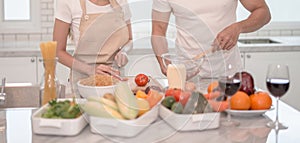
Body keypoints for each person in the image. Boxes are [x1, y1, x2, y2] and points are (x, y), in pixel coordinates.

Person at [151, 0, 271, 77]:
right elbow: (158, 30)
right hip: (188, 75)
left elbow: (263, 12)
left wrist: (238, 27)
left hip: (228, 74)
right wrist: (164, 63)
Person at [53, 0, 133, 83]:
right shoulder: (68, 2)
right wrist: (90, 70)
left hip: (116, 78)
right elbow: (57, 52)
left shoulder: (121, 1)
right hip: (83, 80)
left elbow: (129, 39)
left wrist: (124, 51)